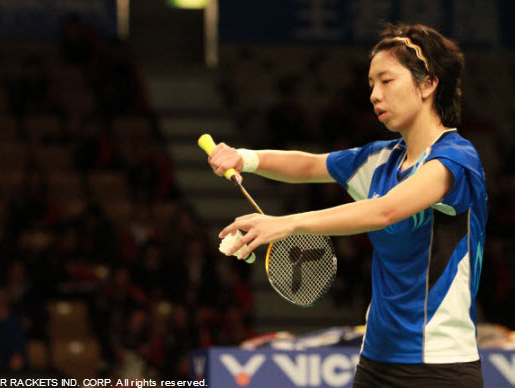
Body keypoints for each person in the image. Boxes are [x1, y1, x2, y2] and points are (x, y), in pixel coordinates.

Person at [207, 23, 487, 387]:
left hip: (441, 366)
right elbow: (311, 165)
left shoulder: (456, 160)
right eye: (371, 84)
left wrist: (286, 223)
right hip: (375, 362)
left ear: (428, 84)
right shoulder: (381, 160)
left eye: (386, 81)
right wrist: (243, 157)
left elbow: (384, 210)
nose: (374, 94)